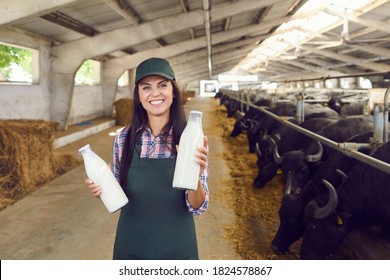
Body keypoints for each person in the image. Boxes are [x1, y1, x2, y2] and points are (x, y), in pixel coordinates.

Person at [85, 57, 209, 260]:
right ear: (139, 96)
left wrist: (195, 177)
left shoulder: (192, 138)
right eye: (146, 87)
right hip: (133, 245)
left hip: (178, 247)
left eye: (162, 85)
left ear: (173, 91)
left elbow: (197, 207)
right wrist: (103, 188)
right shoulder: (123, 139)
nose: (155, 93)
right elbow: (117, 196)